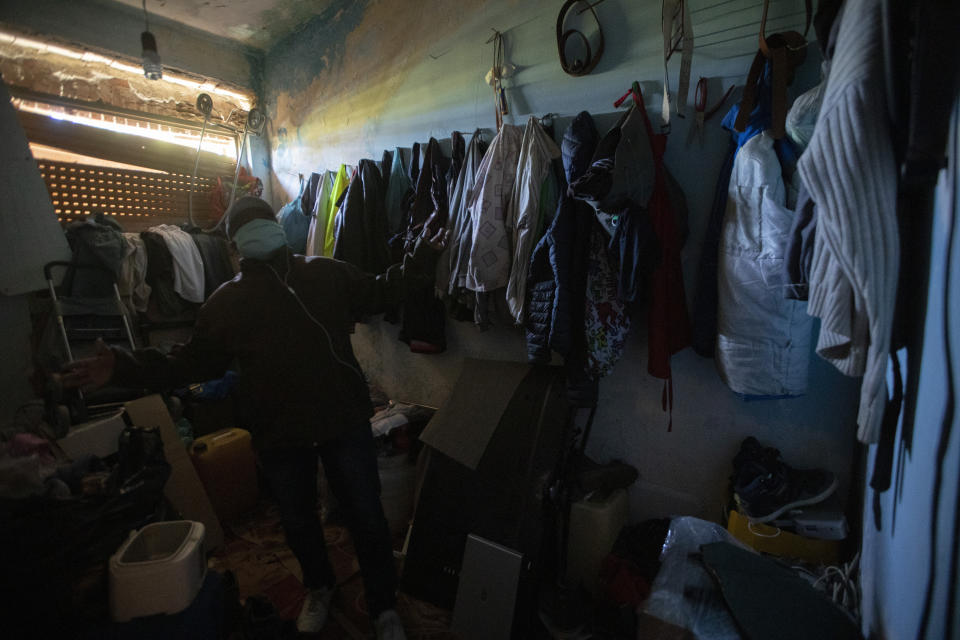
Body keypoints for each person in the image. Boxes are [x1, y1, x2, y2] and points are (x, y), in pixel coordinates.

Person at [63, 196, 447, 639]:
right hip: (280, 433)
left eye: (263, 221)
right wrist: (123, 366)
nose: (258, 230)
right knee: (299, 521)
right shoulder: (227, 302)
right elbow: (190, 363)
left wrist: (421, 258)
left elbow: (380, 290)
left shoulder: (325, 273)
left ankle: (383, 607)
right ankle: (319, 587)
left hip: (342, 419)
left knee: (366, 516)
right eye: (248, 226)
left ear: (277, 228)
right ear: (235, 245)